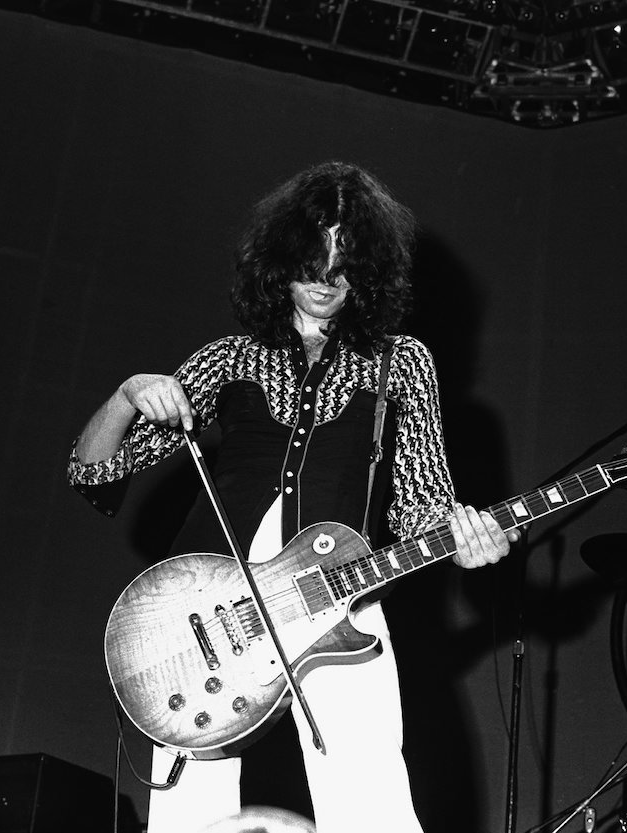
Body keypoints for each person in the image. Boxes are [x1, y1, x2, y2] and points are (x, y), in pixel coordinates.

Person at [68, 160, 517, 832]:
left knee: (373, 803)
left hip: (338, 599)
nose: (325, 283)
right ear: (281, 260)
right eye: (312, 263)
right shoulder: (229, 358)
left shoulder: (402, 361)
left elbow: (421, 502)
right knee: (189, 814)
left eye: (343, 267)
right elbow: (93, 475)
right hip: (205, 615)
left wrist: (466, 538)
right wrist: (129, 392)